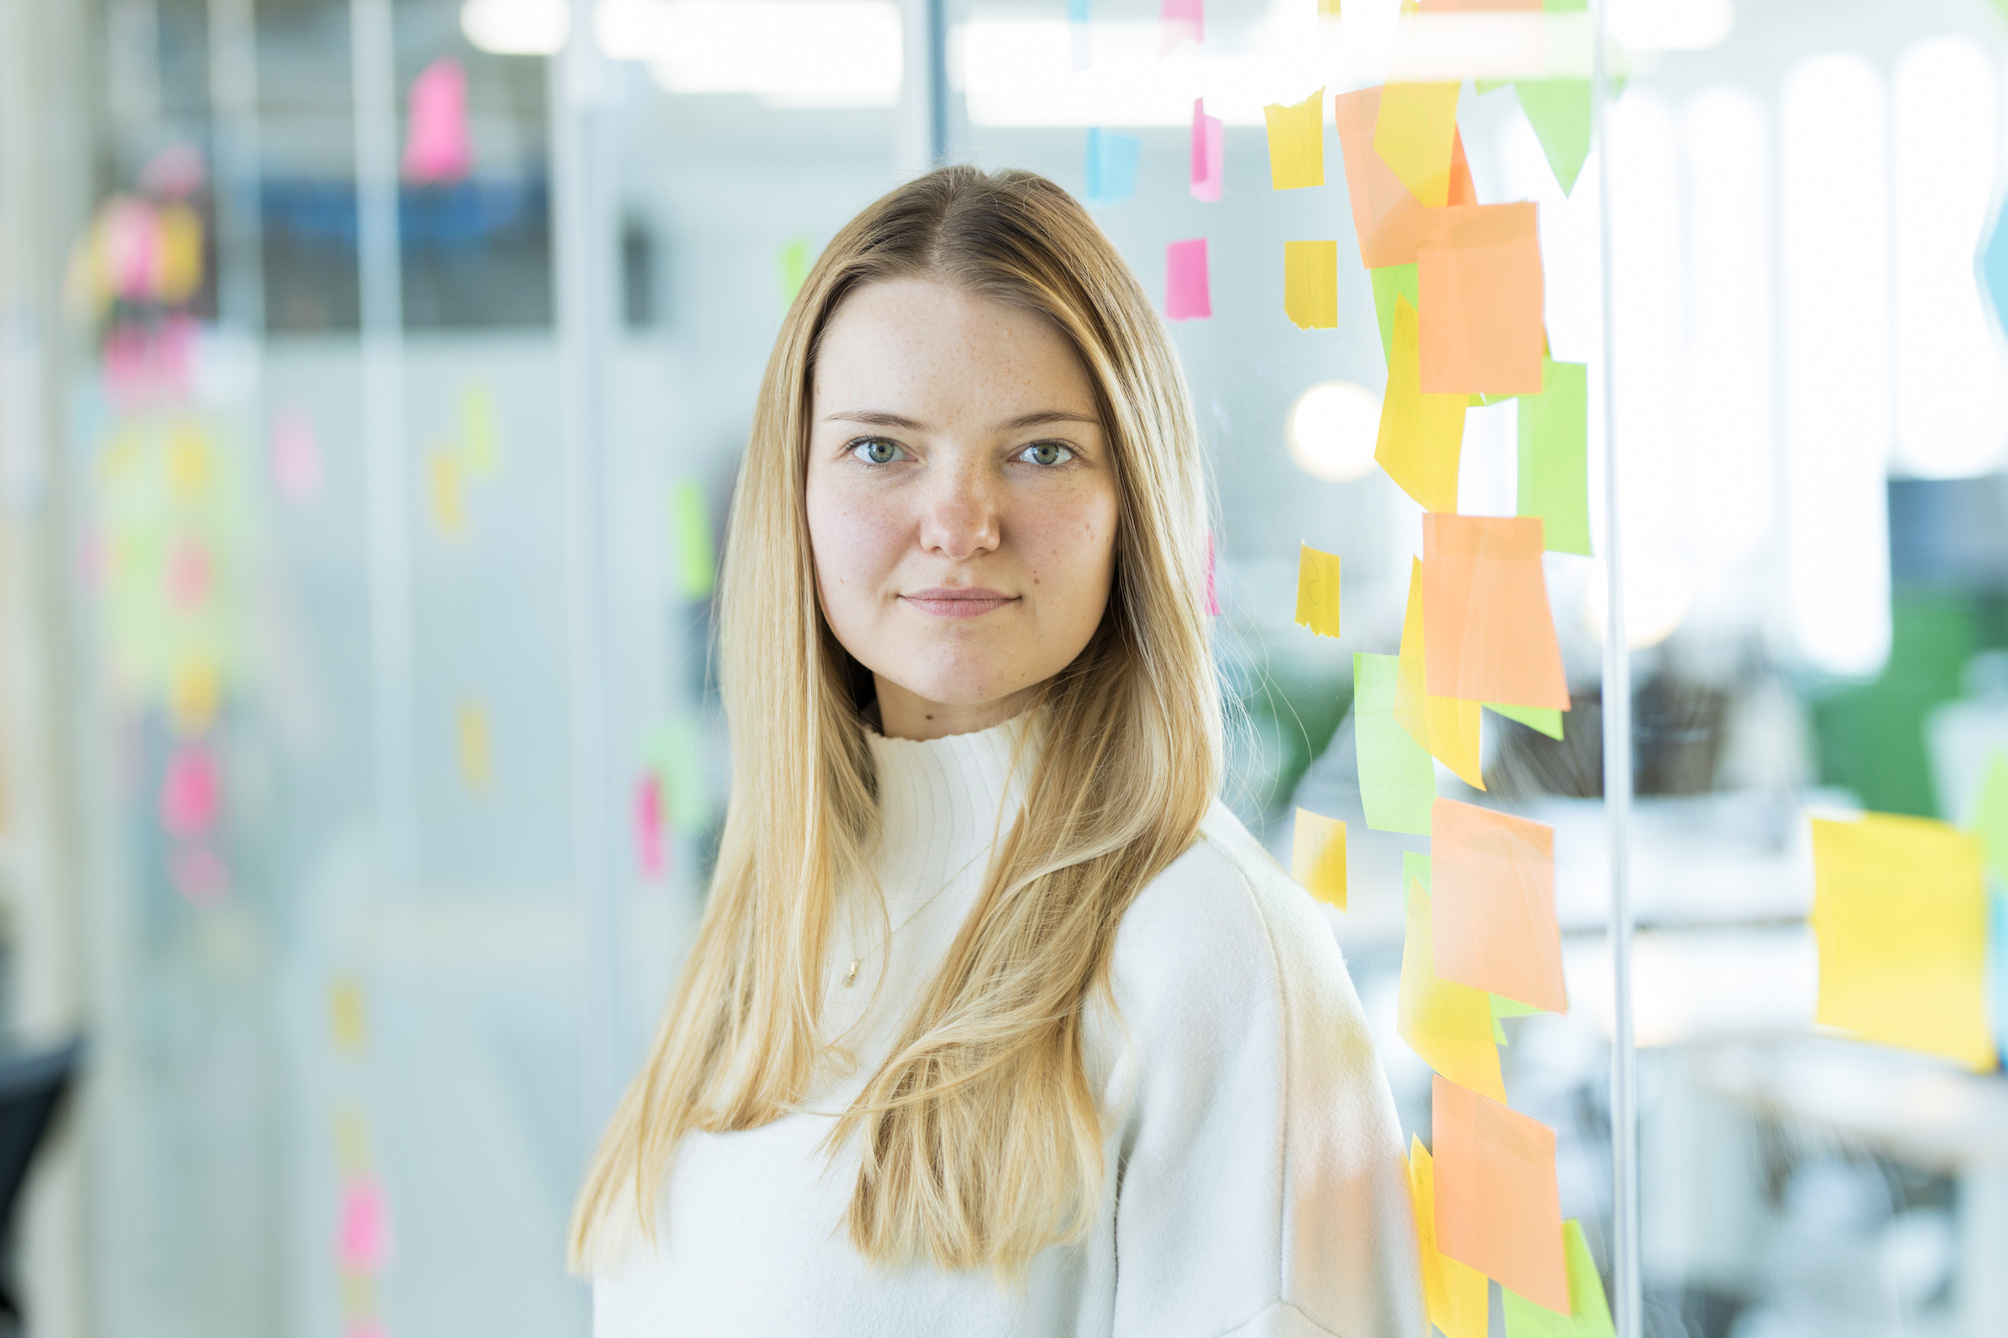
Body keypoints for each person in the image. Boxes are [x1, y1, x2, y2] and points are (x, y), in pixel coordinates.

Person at [573, 165, 1421, 1337]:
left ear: (1134, 498)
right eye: (881, 450)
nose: (960, 521)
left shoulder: (1206, 949)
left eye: (1039, 452)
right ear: (796, 494)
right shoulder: (780, 910)